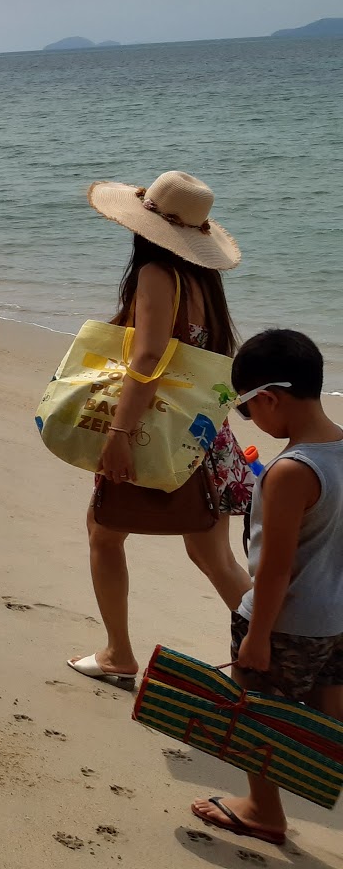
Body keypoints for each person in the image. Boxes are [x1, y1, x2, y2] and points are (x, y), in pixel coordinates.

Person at [68, 171, 254, 687]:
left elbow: (148, 356)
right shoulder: (205, 284)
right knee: (214, 558)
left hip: (154, 431)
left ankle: (118, 655)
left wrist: (120, 434)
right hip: (205, 435)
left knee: (103, 535)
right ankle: (281, 656)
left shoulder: (155, 274)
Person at [189, 329, 343, 845]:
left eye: (249, 411)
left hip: (286, 623)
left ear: (271, 398)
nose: (252, 422)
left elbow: (275, 571)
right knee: (328, 719)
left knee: (255, 709)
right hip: (337, 620)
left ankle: (262, 810)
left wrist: (256, 637)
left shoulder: (289, 472)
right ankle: (318, 779)